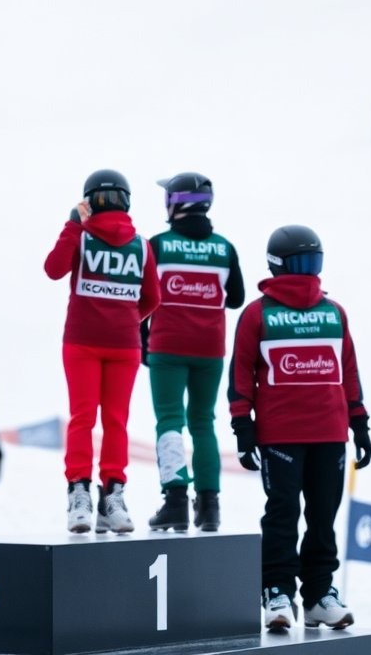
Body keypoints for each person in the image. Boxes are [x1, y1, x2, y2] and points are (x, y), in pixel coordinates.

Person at [228, 225, 371, 632]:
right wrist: (242, 426)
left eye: (314, 261)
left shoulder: (334, 312)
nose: (309, 271)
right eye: (302, 263)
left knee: (323, 516)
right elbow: (240, 374)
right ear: (278, 265)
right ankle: (276, 591)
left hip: (330, 433)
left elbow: (348, 371)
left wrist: (360, 424)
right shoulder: (256, 314)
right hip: (281, 435)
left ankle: (319, 596)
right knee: (283, 513)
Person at [45, 169, 160, 534]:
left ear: (88, 202)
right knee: (115, 421)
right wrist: (125, 319)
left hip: (82, 342)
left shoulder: (80, 236)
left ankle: (79, 495)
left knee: (82, 418)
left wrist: (71, 224)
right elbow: (153, 299)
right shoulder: (142, 245)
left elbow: (53, 269)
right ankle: (113, 497)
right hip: (122, 346)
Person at [144, 172, 244, 533]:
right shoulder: (224, 248)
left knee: (170, 420)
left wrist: (142, 340)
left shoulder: (158, 245)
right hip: (209, 349)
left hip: (167, 346)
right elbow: (236, 298)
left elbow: (141, 298)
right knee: (203, 422)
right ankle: (209, 505)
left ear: (175, 203)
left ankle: (175, 501)